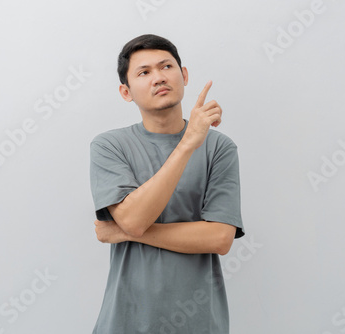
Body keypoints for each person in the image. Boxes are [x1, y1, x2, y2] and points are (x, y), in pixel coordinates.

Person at [89, 34, 245, 334]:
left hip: (200, 323)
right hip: (125, 322)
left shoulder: (220, 148)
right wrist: (187, 145)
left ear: (183, 75)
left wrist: (123, 233)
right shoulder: (109, 146)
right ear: (126, 91)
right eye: (144, 72)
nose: (158, 77)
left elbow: (219, 239)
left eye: (166, 67)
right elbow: (134, 219)